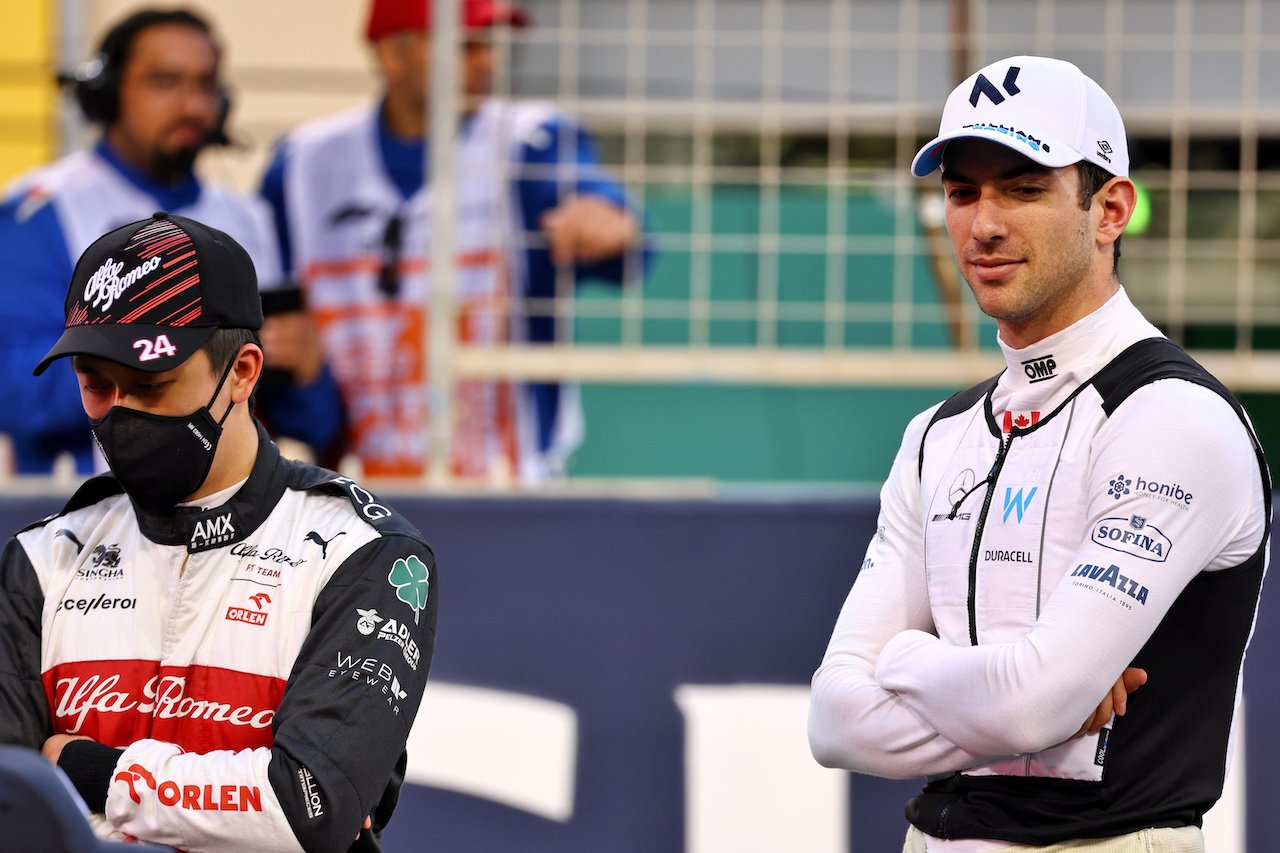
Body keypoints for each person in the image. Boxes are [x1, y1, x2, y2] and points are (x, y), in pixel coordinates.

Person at [808, 55, 1270, 852]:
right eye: (961, 192)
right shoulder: (936, 433)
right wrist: (1003, 684)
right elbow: (835, 721)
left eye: (1023, 188)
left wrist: (913, 660)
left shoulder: (1172, 416)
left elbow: (1032, 705)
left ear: (1111, 210)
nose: (983, 223)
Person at [0, 212, 438, 852]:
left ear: (243, 371)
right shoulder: (41, 559)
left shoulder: (365, 556)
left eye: (151, 385)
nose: (121, 413)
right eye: (96, 386)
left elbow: (305, 809)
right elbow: (15, 811)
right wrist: (236, 796)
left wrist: (84, 769)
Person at [259, 0, 647, 481]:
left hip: (506, 488)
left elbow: (602, 216)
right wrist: (306, 373)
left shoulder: (527, 142)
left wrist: (604, 215)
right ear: (391, 56)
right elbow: (276, 352)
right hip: (352, 501)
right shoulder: (302, 164)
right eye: (465, 45)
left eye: (489, 44)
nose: (488, 61)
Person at [0, 7, 341, 475]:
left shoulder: (248, 218)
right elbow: (14, 391)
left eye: (205, 84)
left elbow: (306, 419)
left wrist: (308, 374)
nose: (193, 106)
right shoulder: (38, 211)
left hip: (231, 524)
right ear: (107, 92)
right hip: (85, 523)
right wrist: (171, 351)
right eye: (166, 81)